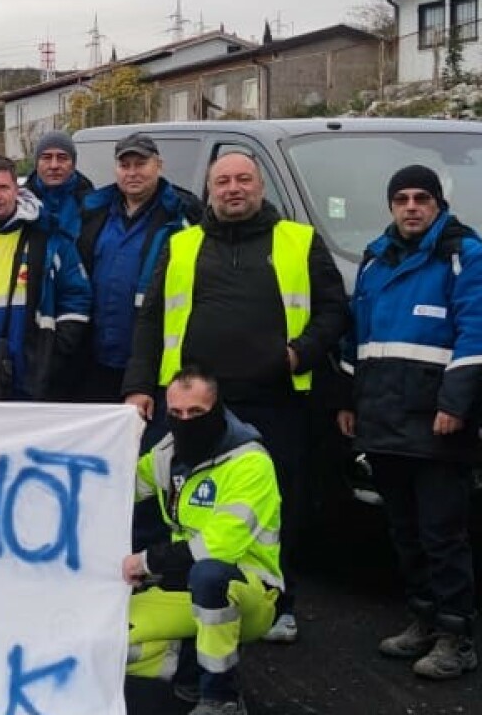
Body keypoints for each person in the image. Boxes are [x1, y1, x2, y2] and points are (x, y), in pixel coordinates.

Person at [123, 149, 348, 644]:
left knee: (275, 506)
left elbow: (334, 312)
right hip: (193, 404)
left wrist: (298, 355)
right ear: (210, 190)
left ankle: (277, 601)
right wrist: (139, 385)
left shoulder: (299, 240)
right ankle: (184, 590)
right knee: (177, 497)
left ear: (260, 186)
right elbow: (151, 318)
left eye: (243, 179)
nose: (233, 189)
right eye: (223, 181)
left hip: (274, 399)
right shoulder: (182, 245)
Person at [337, 165, 482, 680]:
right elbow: (356, 340)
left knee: (443, 533)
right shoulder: (375, 260)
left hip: (436, 424)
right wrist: (348, 400)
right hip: (384, 420)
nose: (411, 207)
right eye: (402, 199)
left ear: (438, 204)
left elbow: (477, 341)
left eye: (422, 199)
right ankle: (423, 619)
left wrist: (456, 406)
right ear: (391, 206)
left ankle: (457, 635)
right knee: (404, 530)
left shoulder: (471, 261)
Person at [124, 370, 283, 715]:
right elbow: (119, 488)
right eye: (175, 414)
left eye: (196, 413)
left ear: (218, 408)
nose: (185, 422)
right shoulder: (167, 454)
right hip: (183, 585)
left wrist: (146, 563)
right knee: (110, 636)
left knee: (210, 576)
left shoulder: (250, 463)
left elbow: (217, 547)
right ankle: (191, 670)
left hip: (249, 590)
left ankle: (221, 696)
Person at [0, 156, 90, 401]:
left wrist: (57, 348)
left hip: (33, 369)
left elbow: (77, 295)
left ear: (17, 190)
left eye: (4, 187)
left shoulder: (49, 238)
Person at [76, 134, 200, 405]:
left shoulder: (183, 217)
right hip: (96, 361)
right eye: (125, 165)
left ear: (159, 165)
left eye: (140, 164)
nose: (132, 172)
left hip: (153, 364)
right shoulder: (93, 212)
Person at [24, 131, 93, 242]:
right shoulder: (20, 203)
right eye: (47, 157)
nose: (54, 165)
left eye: (62, 158)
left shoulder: (94, 205)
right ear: (37, 163)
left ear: (73, 164)